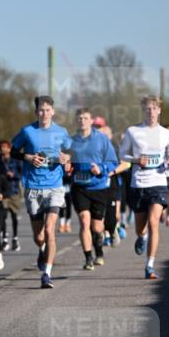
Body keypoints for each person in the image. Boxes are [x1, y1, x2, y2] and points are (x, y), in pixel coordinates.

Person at [11, 96, 72, 289]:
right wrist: (28, 157)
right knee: (39, 236)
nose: (44, 113)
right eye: (41, 110)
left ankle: (47, 273)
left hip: (55, 186)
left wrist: (66, 157)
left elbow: (72, 151)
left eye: (47, 110)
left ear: (52, 111)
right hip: (33, 186)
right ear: (36, 111)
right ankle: (42, 248)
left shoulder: (61, 132)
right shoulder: (27, 131)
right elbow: (13, 152)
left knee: (49, 229)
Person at [118, 95, 169, 280]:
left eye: (154, 108)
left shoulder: (166, 134)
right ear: (143, 110)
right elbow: (122, 154)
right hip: (138, 183)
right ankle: (141, 237)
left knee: (153, 223)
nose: (151, 112)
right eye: (148, 109)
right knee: (140, 228)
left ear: (159, 110)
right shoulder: (133, 131)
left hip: (158, 182)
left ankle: (149, 265)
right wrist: (136, 160)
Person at [69, 109, 119, 270]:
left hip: (98, 187)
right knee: (84, 221)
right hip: (79, 187)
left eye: (85, 118)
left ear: (91, 121)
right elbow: (66, 161)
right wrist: (67, 166)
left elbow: (113, 162)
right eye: (79, 118)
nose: (82, 121)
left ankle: (99, 253)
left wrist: (101, 169)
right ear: (76, 121)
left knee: (97, 227)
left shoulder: (102, 139)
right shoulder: (71, 141)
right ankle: (88, 258)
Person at [0, 140, 22, 251]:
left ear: (9, 148)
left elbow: (21, 174)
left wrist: (14, 175)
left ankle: (15, 238)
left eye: (4, 147)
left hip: (13, 191)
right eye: (1, 147)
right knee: (3, 216)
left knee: (14, 216)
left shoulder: (16, 160)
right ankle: (4, 238)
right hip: (2, 192)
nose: (2, 149)